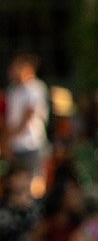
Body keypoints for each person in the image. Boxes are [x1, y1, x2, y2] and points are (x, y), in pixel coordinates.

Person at [4, 53, 49, 199]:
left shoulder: (35, 88)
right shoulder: (13, 90)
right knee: (16, 184)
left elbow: (27, 117)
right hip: (15, 146)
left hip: (31, 144)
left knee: (33, 183)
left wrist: (9, 136)